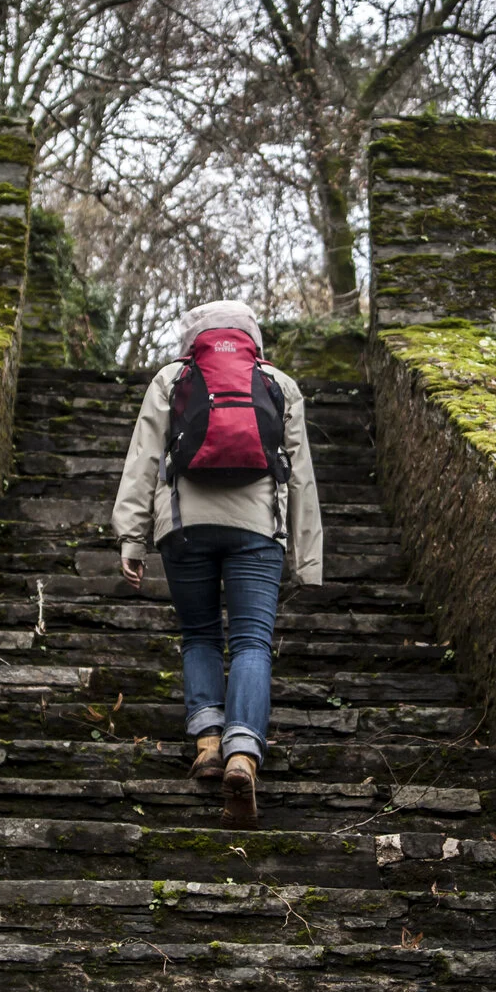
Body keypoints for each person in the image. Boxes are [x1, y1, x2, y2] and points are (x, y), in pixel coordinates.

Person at [111, 300, 323, 829]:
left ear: (192, 337)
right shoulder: (278, 383)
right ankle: (243, 755)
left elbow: (144, 461)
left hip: (184, 527)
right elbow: (300, 476)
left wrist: (132, 539)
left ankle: (207, 742)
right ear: (252, 335)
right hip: (257, 530)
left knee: (200, 636)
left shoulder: (171, 377)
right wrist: (308, 558)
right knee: (252, 641)